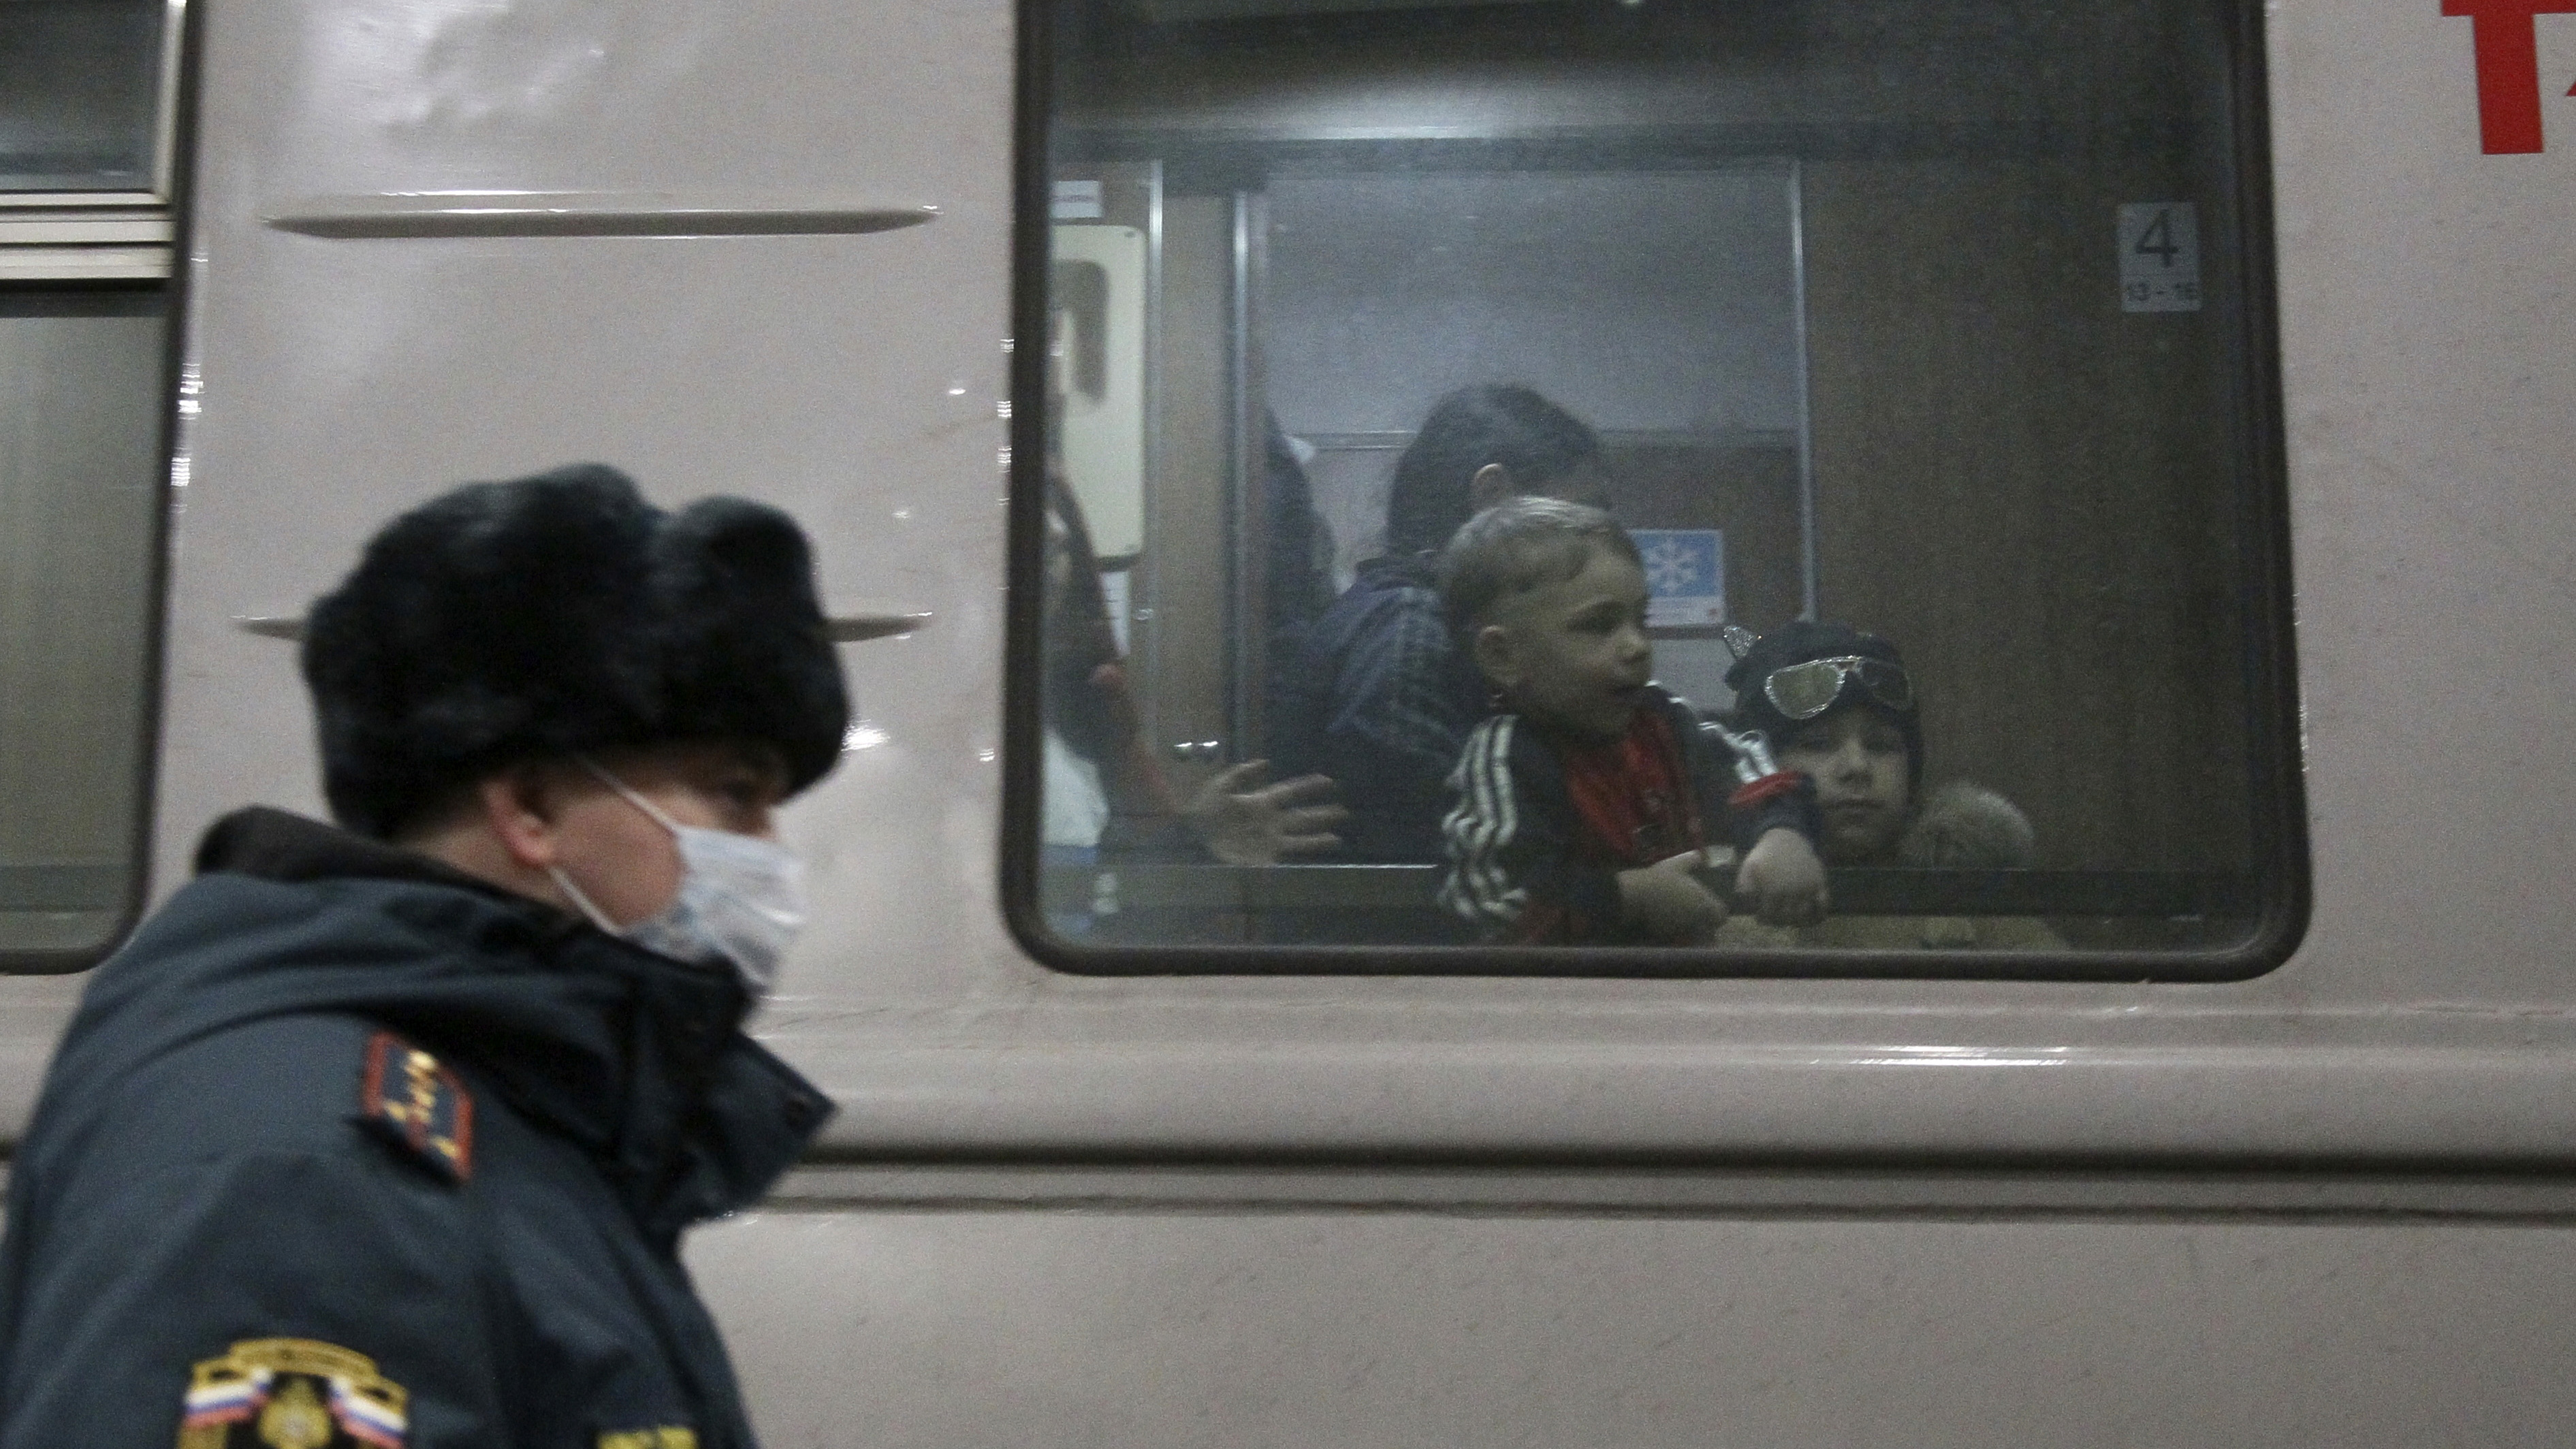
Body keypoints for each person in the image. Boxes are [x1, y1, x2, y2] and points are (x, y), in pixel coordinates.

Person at [0, 464, 851, 1448]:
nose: (770, 856)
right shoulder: (306, 1176)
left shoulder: (515, 1116)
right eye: (735, 794)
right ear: (530, 809)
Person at [1434, 498, 1828, 945]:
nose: (1637, 646)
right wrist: (1629, 896)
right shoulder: (1504, 760)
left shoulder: (1658, 718)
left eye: (1641, 620)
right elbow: (1488, 905)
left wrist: (1779, 832)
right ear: (1503, 656)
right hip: (1559, 1006)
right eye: (1599, 626)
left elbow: (1745, 764)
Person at [1269, 383, 1609, 861]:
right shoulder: (1412, 627)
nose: (1600, 541)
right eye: (1581, 514)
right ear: (1492, 495)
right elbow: (1434, 844)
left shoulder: (1418, 616)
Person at [1041, 470, 1346, 875]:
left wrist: (1190, 840)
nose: (1055, 530)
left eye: (1056, 515)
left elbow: (1116, 884)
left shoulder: (1085, 700)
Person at [1713, 619, 2063, 950]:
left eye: (1881, 746)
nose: (1857, 767)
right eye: (1818, 744)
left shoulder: (1981, 912)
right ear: (1762, 769)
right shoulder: (1711, 908)